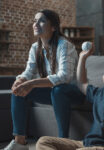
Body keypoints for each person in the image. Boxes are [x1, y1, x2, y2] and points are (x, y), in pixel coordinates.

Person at [3, 9, 85, 150]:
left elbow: (64, 77)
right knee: (19, 90)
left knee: (58, 90)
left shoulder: (64, 45)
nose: (36, 23)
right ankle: (20, 142)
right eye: (35, 20)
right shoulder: (35, 47)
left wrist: (33, 83)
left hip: (74, 93)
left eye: (41, 20)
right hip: (54, 92)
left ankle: (62, 142)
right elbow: (29, 71)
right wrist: (21, 80)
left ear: (53, 27)